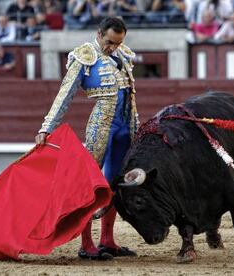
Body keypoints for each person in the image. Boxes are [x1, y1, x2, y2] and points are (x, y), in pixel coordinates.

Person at [35, 17, 139, 260]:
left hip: (126, 126)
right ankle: (86, 243)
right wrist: (46, 127)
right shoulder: (84, 56)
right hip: (101, 127)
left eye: (118, 42)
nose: (113, 47)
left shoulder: (123, 54)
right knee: (91, 184)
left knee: (115, 182)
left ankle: (107, 240)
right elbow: (64, 95)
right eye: (110, 42)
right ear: (99, 33)